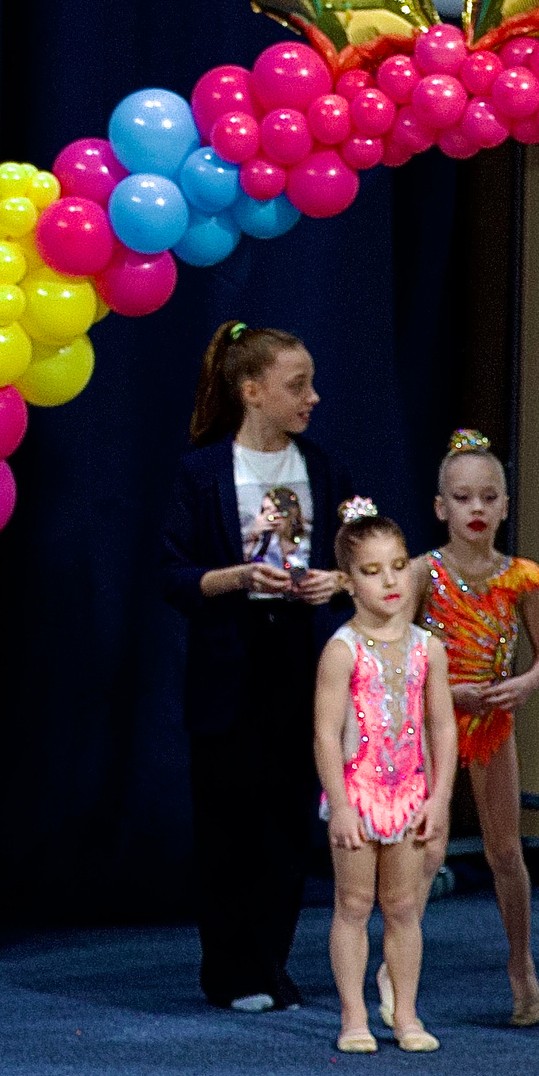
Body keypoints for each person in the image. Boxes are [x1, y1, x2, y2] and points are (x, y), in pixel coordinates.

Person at [159, 322, 351, 1013]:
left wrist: (338, 581)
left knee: (286, 821)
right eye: (297, 385)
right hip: (229, 670)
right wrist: (237, 576)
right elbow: (171, 574)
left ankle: (270, 961)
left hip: (300, 665)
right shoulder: (202, 473)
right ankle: (229, 967)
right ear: (252, 390)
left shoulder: (322, 468)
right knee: (227, 824)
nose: (313, 397)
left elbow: (364, 554)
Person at [418, 430, 539, 1028]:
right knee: (424, 852)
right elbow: (392, 656)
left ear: (504, 505)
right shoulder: (423, 573)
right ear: (441, 507)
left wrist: (526, 683)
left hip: (494, 721)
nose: (476, 509)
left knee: (505, 850)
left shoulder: (522, 577)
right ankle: (396, 970)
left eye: (488, 497)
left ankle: (522, 968)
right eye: (463, 497)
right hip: (434, 721)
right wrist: (447, 693)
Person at [315, 499, 456, 1054]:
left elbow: (442, 728)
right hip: (359, 791)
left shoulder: (429, 649)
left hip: (410, 795)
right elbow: (326, 733)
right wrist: (341, 803)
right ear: (348, 583)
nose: (390, 581)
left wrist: (440, 798)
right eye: (372, 572)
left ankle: (406, 1013)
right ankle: (354, 1016)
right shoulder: (342, 650)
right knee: (353, 906)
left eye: (398, 566)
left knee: (402, 908)